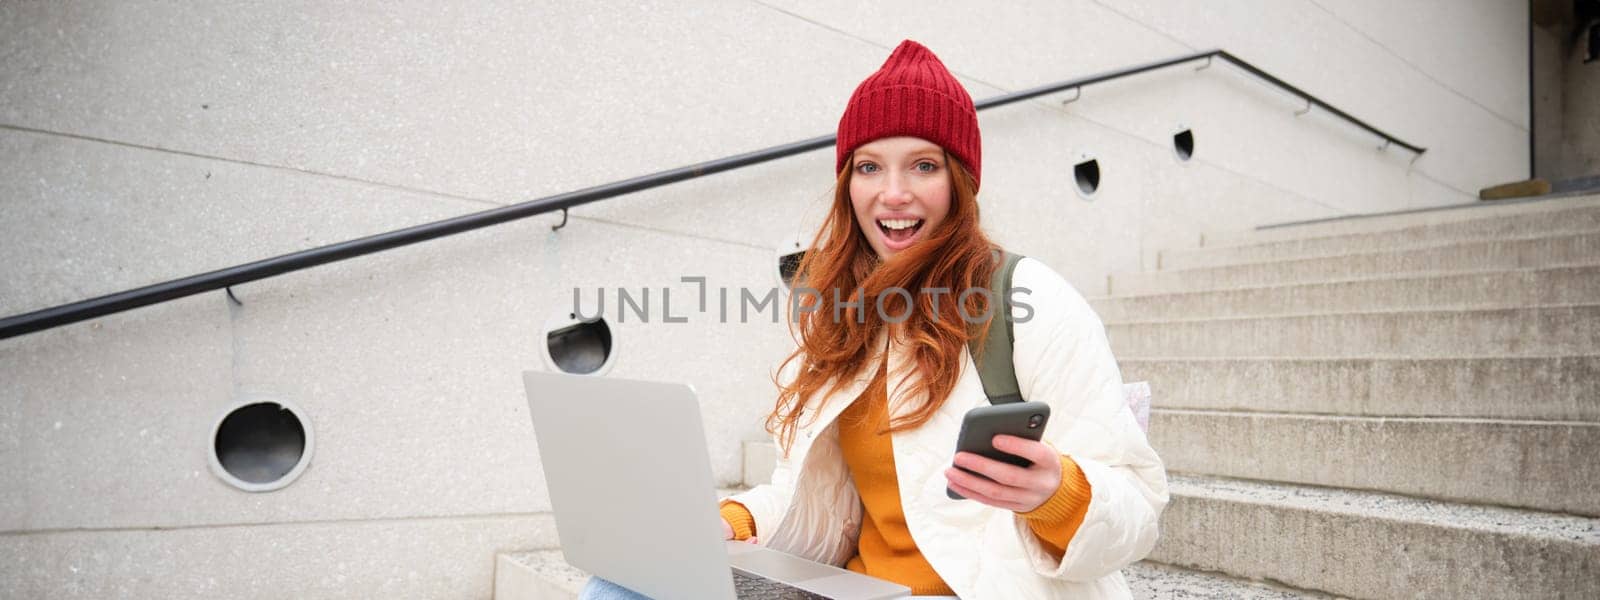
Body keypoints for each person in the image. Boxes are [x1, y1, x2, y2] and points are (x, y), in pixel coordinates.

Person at [583, 39, 1167, 600]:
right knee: (620, 584)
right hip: (857, 589)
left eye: (922, 166)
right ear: (847, 183)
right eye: (869, 167)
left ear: (959, 182)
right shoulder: (844, 314)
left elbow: (1137, 508)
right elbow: (814, 504)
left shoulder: (1029, 298)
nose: (893, 194)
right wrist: (729, 523)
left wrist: (1057, 494)